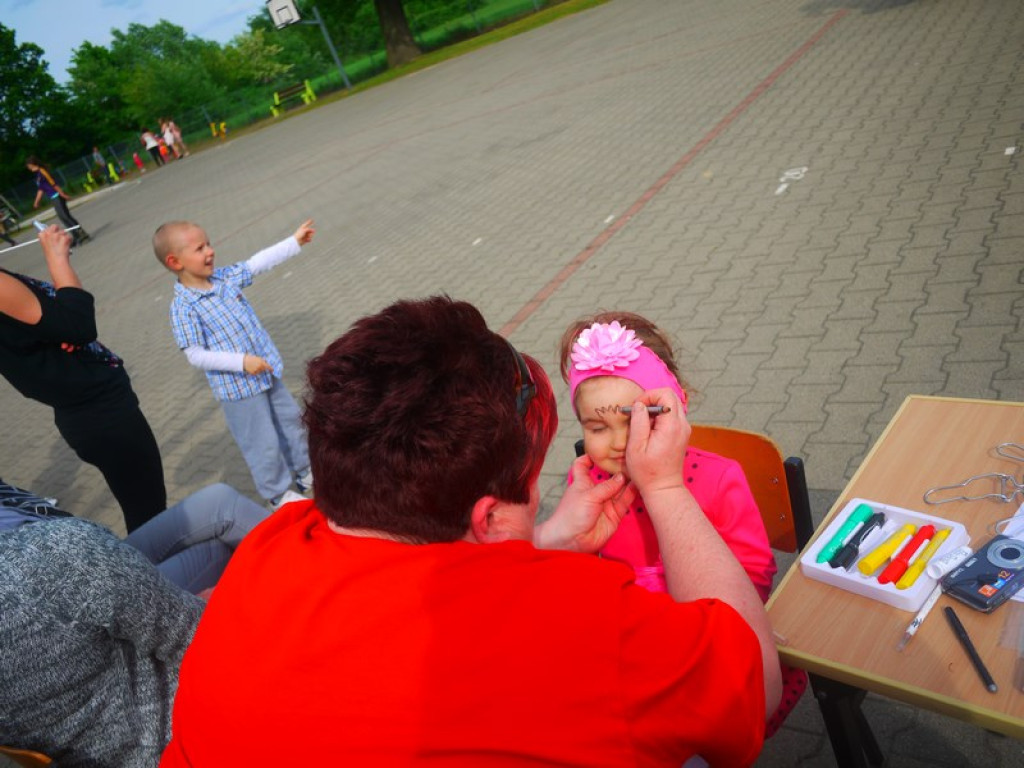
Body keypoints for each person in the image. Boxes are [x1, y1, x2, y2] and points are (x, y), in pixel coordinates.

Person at [161, 296, 782, 766]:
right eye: (537, 480)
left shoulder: (269, 547)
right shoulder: (581, 627)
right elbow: (754, 684)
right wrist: (667, 488)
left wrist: (542, 540)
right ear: (486, 517)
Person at [559, 311, 805, 735]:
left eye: (638, 420)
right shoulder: (588, 485)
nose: (620, 442)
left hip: (704, 642)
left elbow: (755, 570)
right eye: (597, 427)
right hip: (630, 650)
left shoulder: (718, 477)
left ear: (675, 405)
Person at [0, 481, 268, 766]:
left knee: (219, 506)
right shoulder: (54, 562)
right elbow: (201, 640)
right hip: (159, 731)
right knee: (219, 552)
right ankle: (315, 571)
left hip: (90, 724)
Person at [0, 225, 166, 532]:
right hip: (99, 413)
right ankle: (157, 577)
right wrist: (57, 258)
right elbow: (77, 326)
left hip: (91, 412)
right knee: (151, 518)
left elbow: (47, 332)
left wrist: (54, 331)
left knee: (146, 508)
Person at [153, 219, 316, 509]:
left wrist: (294, 242)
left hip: (266, 371)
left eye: (209, 243)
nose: (210, 251)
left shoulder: (224, 278)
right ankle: (277, 494)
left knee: (291, 423)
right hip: (239, 389)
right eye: (200, 248)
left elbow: (257, 263)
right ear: (175, 261)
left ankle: (305, 471)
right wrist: (241, 362)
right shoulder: (183, 307)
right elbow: (195, 354)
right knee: (261, 442)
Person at [25, 156, 90, 246]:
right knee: (63, 218)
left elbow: (53, 183)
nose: (28, 168)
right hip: (53, 198)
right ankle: (76, 236)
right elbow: (41, 189)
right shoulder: (38, 176)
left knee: (66, 216)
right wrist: (36, 202)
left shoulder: (42, 171)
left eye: (28, 166)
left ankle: (82, 234)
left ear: (32, 164)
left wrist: (62, 194)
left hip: (57, 196)